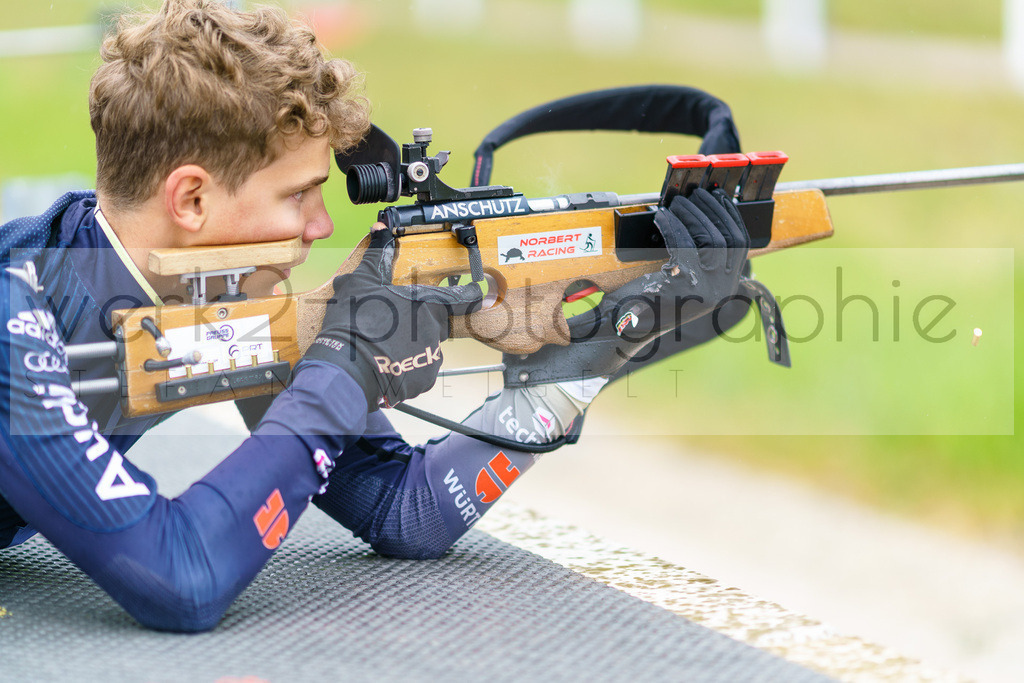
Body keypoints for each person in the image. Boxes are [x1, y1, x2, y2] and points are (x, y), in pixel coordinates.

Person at [0, 0, 750, 632]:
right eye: (299, 194)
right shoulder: (13, 308)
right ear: (192, 199)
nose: (322, 227)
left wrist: (578, 367)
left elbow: (403, 510)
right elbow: (181, 576)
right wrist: (344, 365)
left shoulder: (220, 298)